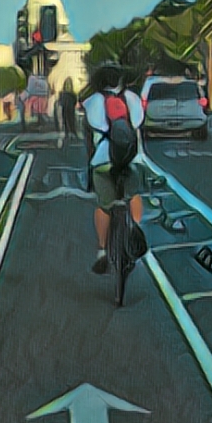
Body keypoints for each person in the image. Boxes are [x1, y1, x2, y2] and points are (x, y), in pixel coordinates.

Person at [82, 62, 145, 275]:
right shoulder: (133, 99)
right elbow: (137, 126)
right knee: (134, 194)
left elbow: (89, 139)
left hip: (103, 161)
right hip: (131, 159)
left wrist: (90, 169)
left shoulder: (92, 102)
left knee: (103, 206)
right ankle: (135, 228)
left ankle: (102, 250)